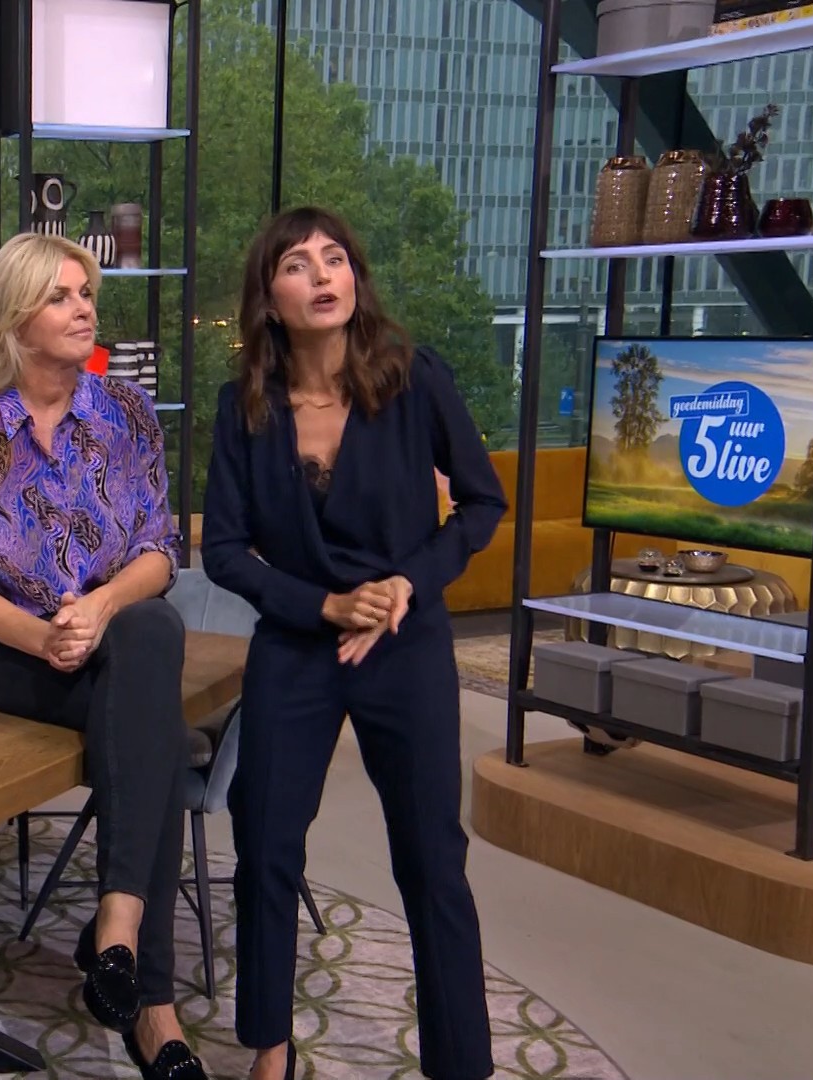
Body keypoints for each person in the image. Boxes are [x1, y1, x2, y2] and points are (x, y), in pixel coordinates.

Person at [201, 207, 505, 1080]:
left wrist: (408, 583)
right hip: (300, 643)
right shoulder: (243, 407)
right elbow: (224, 549)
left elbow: (481, 503)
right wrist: (325, 605)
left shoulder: (414, 379)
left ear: (355, 279)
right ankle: (270, 1051)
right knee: (265, 845)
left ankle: (461, 1066)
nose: (322, 276)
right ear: (271, 298)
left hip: (406, 644)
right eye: (298, 265)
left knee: (431, 859)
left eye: (334, 259)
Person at [0, 232, 209, 1080]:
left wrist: (99, 606)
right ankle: (149, 1000)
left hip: (110, 636)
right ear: (14, 317)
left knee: (151, 633)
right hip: (7, 650)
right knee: (155, 731)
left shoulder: (126, 413)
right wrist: (45, 635)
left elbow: (159, 550)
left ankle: (121, 937)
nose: (84, 309)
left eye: (86, 293)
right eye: (61, 296)